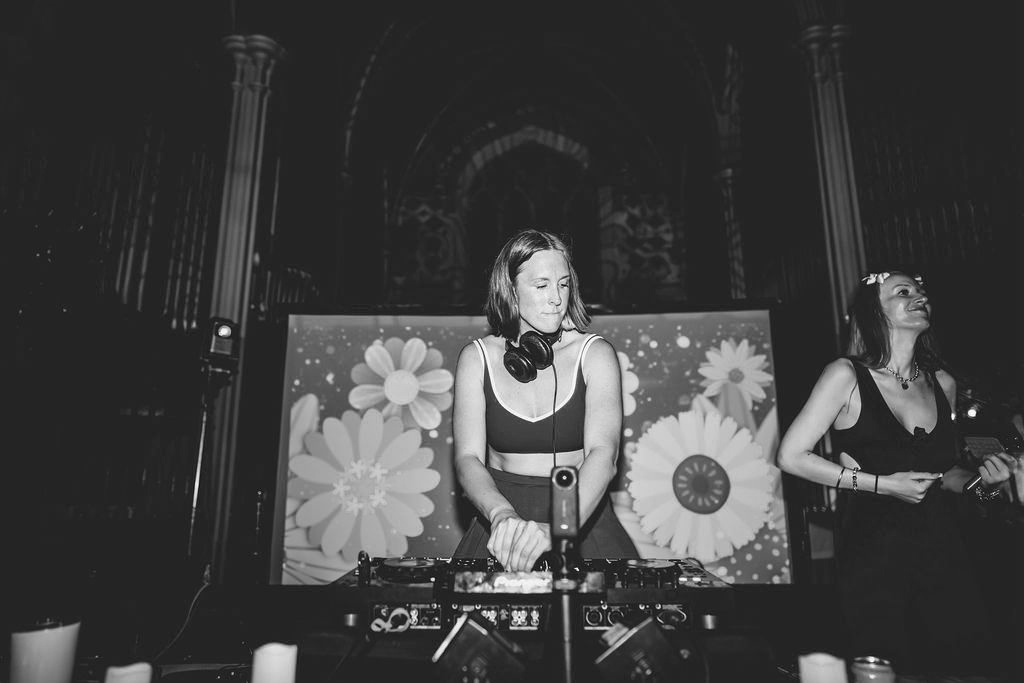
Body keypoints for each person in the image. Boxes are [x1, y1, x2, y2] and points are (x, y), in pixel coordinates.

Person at [776, 270, 1017, 675]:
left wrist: (984, 485)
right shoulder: (846, 375)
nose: (920, 295)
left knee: (961, 663)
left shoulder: (943, 382)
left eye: (921, 290)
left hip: (942, 547)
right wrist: (883, 485)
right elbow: (791, 456)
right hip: (873, 549)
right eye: (903, 291)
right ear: (875, 311)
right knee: (883, 664)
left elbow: (945, 473)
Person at [452, 229, 638, 571]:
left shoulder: (594, 354)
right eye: (541, 285)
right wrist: (501, 515)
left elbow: (604, 453)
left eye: (564, 284)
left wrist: (559, 529)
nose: (556, 298)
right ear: (510, 289)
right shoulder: (477, 358)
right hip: (503, 524)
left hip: (582, 518)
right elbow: (467, 458)